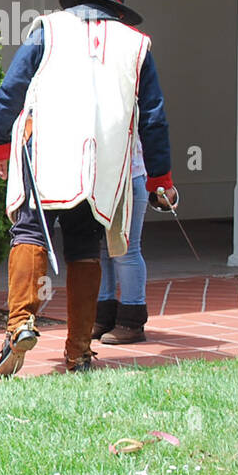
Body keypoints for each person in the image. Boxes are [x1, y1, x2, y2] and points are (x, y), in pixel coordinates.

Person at [0, 0, 175, 375]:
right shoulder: (137, 45)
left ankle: (20, 324)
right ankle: (78, 352)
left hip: (44, 152)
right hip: (100, 163)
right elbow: (154, 117)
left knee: (30, 235)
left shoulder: (48, 29)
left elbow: (11, 90)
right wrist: (160, 179)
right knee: (86, 250)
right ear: (118, 13)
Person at [94, 140, 150, 344]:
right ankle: (103, 318)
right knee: (102, 250)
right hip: (99, 181)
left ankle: (131, 322)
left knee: (126, 250)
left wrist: (163, 180)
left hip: (130, 177)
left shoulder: (135, 105)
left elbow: (154, 128)